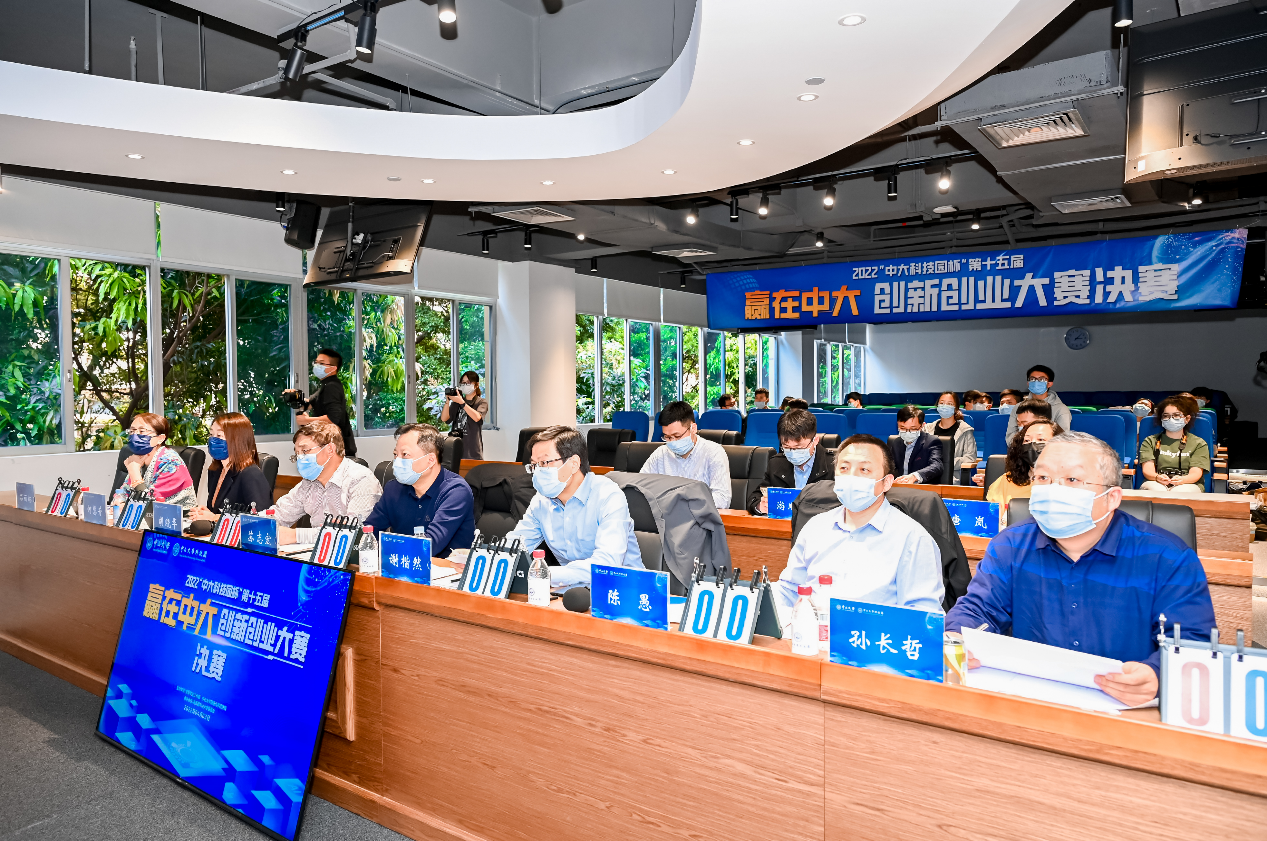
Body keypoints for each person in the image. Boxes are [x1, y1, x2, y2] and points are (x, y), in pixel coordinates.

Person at [946, 431, 1216, 706]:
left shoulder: (1167, 557)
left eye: (1072, 480)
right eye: (1043, 478)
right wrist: (955, 636)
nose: (1053, 490)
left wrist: (1157, 675)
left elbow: (1193, 643)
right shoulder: (1010, 545)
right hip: (1034, 703)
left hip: (1128, 710)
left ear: (1112, 497)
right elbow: (978, 610)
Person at [774, 433, 944, 620]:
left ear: (887, 482)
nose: (851, 476)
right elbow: (789, 590)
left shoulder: (913, 540)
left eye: (864, 470)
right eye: (844, 468)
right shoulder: (815, 527)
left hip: (872, 636)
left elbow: (923, 616)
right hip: (812, 632)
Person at [505, 425, 641, 590]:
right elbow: (516, 545)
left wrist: (545, 574)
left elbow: (606, 565)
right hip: (573, 591)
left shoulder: (608, 496)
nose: (538, 472)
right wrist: (490, 558)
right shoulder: (541, 501)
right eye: (534, 465)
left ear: (574, 463)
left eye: (544, 463)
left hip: (625, 591)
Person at [364, 423, 475, 557]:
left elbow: (429, 545)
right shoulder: (393, 488)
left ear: (430, 460)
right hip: (401, 565)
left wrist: (388, 550)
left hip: (445, 568)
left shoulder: (456, 491)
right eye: (395, 454)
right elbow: (369, 532)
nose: (397, 461)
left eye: (405, 454)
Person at [274, 421, 382, 546]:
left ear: (330, 449)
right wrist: (256, 523)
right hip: (316, 553)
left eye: (304, 451)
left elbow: (354, 532)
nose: (300, 458)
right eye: (297, 454)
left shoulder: (361, 479)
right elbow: (280, 514)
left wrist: (296, 535)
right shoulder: (308, 483)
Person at [641, 401, 732, 509]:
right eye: (668, 437)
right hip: (665, 516)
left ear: (693, 428)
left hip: (700, 517)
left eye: (677, 436)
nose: (672, 442)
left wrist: (682, 502)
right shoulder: (660, 454)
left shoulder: (713, 453)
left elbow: (722, 499)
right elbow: (640, 488)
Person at [747, 408, 833, 513]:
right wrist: (760, 506)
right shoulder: (776, 463)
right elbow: (755, 497)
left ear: (815, 440)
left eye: (799, 448)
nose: (793, 453)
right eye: (787, 447)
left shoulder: (834, 465)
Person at [192, 413, 272, 519]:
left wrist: (214, 518)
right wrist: (206, 513)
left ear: (237, 440)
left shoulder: (251, 474)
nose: (212, 440)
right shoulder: (215, 471)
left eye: (219, 435)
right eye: (211, 434)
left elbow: (261, 519)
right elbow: (218, 511)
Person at [112, 413, 197, 509]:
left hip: (177, 516)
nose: (135, 435)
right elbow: (123, 492)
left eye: (142, 431)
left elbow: (150, 506)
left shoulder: (171, 462)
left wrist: (134, 473)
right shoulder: (139, 458)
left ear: (160, 438)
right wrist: (119, 502)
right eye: (132, 431)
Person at [287, 348, 357, 459]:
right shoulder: (326, 385)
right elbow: (308, 404)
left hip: (338, 450)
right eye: (316, 362)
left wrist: (306, 421)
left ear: (333, 368)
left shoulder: (332, 387)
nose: (317, 366)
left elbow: (334, 419)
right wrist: (293, 396)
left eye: (321, 363)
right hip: (330, 447)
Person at [977, 419, 1062, 509]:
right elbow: (992, 514)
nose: (1032, 445)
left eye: (1041, 439)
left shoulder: (1068, 482)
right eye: (1027, 440)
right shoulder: (1006, 481)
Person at [1139, 395, 1210, 495]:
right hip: (1156, 482)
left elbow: (1196, 473)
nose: (1171, 419)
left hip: (1188, 483)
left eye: (1176, 415)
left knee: (1180, 492)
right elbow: (1147, 470)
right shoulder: (1150, 441)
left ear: (1187, 418)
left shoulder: (1199, 443)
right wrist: (1157, 477)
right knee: (1157, 490)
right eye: (1166, 416)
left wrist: (1183, 480)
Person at [1005, 365, 1071, 444]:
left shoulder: (1061, 409)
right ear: (1028, 383)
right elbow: (1010, 435)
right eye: (1032, 379)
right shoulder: (1018, 407)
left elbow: (1062, 438)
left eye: (1041, 379)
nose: (1036, 382)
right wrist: (1024, 445)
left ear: (1049, 383)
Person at [922, 391, 977, 484]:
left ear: (956, 408)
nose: (945, 406)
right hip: (927, 476)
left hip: (953, 477)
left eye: (949, 404)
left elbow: (970, 458)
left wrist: (946, 463)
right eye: (942, 403)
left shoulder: (965, 430)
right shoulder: (927, 429)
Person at [440, 370, 489, 460]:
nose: (465, 385)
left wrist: (462, 403)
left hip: (472, 451)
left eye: (468, 383)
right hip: (455, 449)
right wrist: (447, 401)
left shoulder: (481, 402)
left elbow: (477, 417)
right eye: (463, 383)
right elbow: (444, 418)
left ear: (476, 385)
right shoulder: (456, 403)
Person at [890, 405, 944, 485]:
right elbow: (888, 466)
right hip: (900, 487)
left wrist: (914, 476)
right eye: (903, 428)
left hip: (923, 488)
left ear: (922, 426)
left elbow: (937, 466)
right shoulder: (896, 442)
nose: (907, 432)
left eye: (913, 429)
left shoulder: (932, 442)